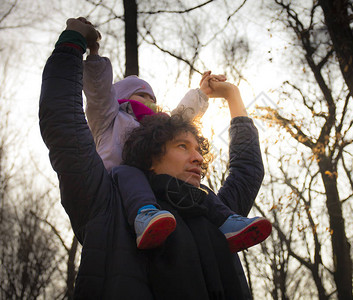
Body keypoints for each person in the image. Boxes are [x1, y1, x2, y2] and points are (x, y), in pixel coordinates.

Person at [39, 17, 269, 299]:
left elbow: (247, 170)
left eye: (198, 149)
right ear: (151, 153)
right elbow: (64, 125)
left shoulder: (214, 213)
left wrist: (232, 95)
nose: (198, 157)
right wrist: (72, 42)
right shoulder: (106, 207)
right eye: (183, 147)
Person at [80, 17, 270, 251]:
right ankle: (144, 216)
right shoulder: (110, 117)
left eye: (153, 98)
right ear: (123, 99)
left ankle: (227, 220)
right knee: (129, 173)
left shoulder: (156, 126)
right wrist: (94, 55)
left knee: (199, 191)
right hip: (116, 182)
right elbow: (98, 93)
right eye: (143, 96)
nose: (150, 102)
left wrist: (203, 93)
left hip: (156, 181)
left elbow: (181, 116)